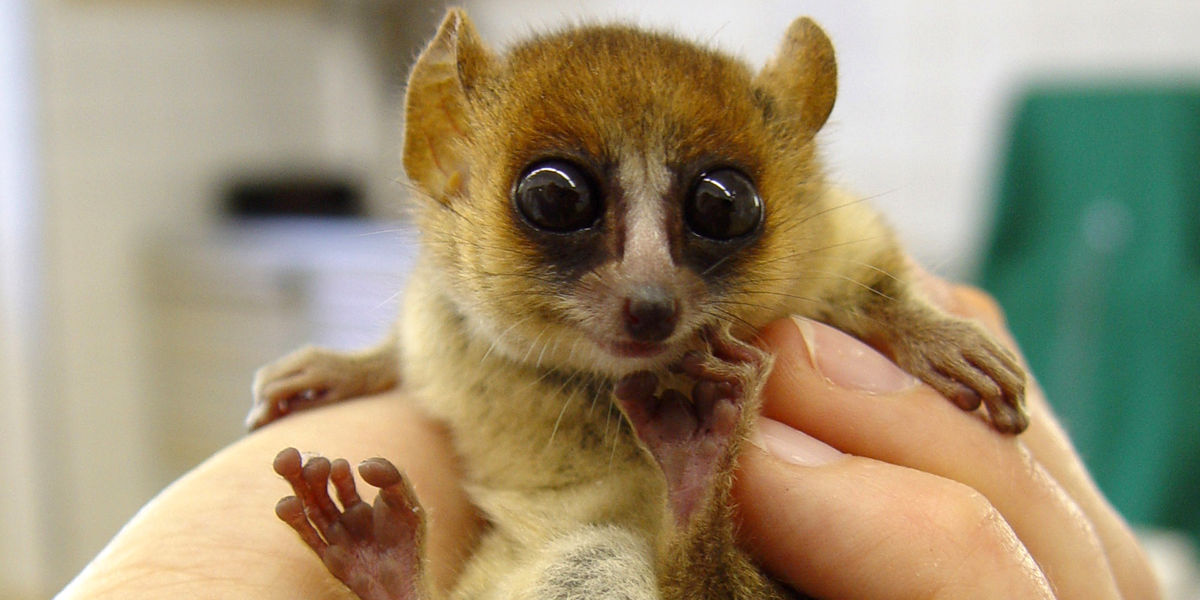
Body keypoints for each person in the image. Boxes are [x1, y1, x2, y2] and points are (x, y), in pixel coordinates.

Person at [57, 273, 1161, 599]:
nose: (645, 294)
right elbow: (452, 316)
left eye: (715, 214)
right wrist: (370, 369)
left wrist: (905, 324)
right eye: (559, 201)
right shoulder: (454, 300)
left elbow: (865, 272)